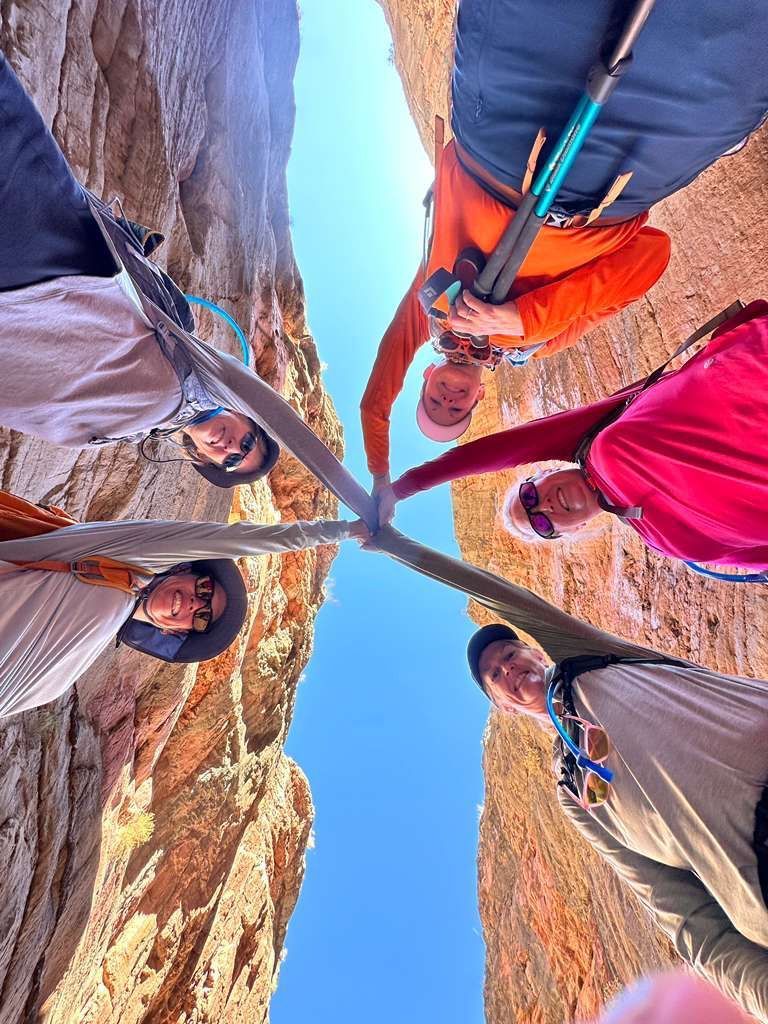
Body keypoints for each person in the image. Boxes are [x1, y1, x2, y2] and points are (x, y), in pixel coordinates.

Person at [360, 0, 768, 490]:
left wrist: (381, 475)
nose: (448, 400)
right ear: (478, 400)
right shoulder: (541, 341)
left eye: (434, 403)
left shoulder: (426, 311)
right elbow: (650, 257)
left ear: (424, 379)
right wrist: (524, 318)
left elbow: (375, 398)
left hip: (493, 145)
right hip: (611, 190)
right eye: (456, 409)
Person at [0, 50, 280, 489]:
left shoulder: (127, 432)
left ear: (205, 461)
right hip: (50, 263)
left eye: (229, 462)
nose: (232, 449)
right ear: (246, 418)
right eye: (247, 444)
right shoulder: (187, 347)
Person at [466, 620, 768, 1022]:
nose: (509, 670)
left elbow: (516, 601)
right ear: (503, 705)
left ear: (536, 652)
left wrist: (404, 551)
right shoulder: (574, 791)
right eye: (495, 676)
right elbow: (677, 909)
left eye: (509, 654)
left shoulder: (601, 663)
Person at [378, 300, 768, 571]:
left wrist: (400, 488)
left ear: (544, 472)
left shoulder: (589, 440)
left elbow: (492, 453)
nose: (543, 508)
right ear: (573, 531)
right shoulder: (665, 543)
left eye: (529, 496)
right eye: (542, 525)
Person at [0, 489, 368, 717]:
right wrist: (345, 531)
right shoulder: (129, 559)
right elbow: (239, 540)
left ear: (173, 630)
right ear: (187, 570)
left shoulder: (61, 679)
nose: (195, 603)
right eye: (205, 589)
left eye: (203, 618)